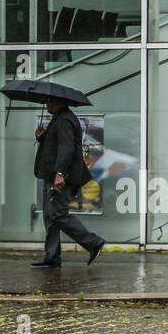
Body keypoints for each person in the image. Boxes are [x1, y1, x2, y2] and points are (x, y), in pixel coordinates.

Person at [30, 98, 107, 268]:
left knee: (58, 214)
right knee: (50, 217)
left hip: (62, 177)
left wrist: (60, 173)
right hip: (52, 175)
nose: (46, 104)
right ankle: (52, 257)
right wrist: (41, 137)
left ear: (60, 102)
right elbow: (56, 145)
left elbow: (67, 148)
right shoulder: (59, 118)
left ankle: (93, 242)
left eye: (50, 101)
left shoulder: (65, 120)